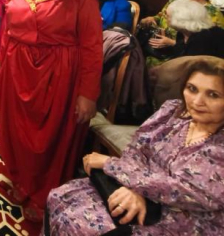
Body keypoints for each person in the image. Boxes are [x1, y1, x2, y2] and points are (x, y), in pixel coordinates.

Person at [46, 57, 224, 235]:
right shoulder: (173, 111)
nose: (197, 101)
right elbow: (137, 148)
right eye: (192, 89)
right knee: (60, 197)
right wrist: (133, 188)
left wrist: (113, 165)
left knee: (83, 226)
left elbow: (182, 190)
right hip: (134, 186)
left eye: (213, 95)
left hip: (182, 218)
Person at [0, 0, 103, 220]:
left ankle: (44, 193)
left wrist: (88, 93)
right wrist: (1, 64)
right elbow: (7, 31)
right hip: (18, 69)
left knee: (49, 135)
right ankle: (22, 181)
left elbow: (92, 46)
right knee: (16, 129)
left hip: (59, 72)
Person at [146, 0, 224, 63]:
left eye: (168, 16)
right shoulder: (182, 33)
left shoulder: (203, 38)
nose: (165, 17)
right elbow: (179, 53)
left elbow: (193, 65)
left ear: (180, 19)